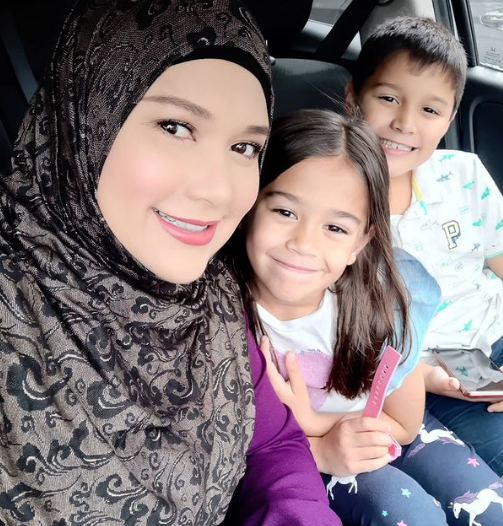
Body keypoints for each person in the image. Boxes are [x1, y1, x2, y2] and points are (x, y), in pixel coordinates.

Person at [0, 1, 343, 524]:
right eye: (175, 127)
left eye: (244, 147)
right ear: (82, 123)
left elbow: (271, 445)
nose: (219, 192)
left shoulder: (213, 297)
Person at [222, 108, 503, 526]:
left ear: (360, 242)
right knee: (409, 515)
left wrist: (315, 421)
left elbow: (404, 424)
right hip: (299, 458)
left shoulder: (383, 300)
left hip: (384, 429)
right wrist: (317, 444)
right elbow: (231, 450)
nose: (303, 243)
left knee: (489, 508)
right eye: (284, 212)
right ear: (249, 207)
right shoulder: (221, 318)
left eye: (335, 228)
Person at [346, 15, 503, 477]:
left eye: (430, 111)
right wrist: (430, 378)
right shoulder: (330, 206)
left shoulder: (464, 175)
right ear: (352, 97)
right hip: (429, 376)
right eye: (388, 99)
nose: (404, 123)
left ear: (450, 119)